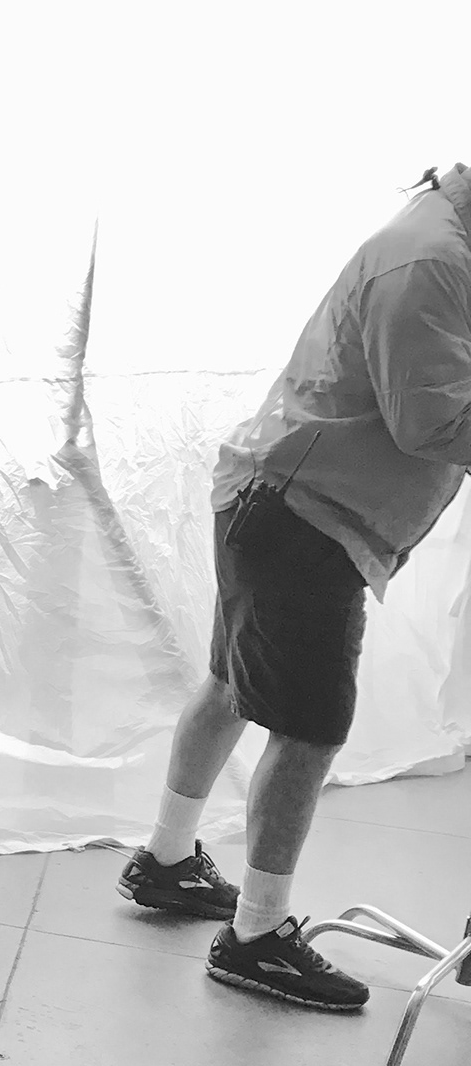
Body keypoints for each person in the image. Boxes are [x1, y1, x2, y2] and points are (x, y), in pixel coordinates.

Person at [119, 164, 471, 1012]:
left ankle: (166, 861)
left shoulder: (443, 242)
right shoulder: (428, 262)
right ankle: (256, 939)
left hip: (276, 496)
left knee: (229, 686)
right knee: (309, 730)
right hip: (305, 516)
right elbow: (431, 422)